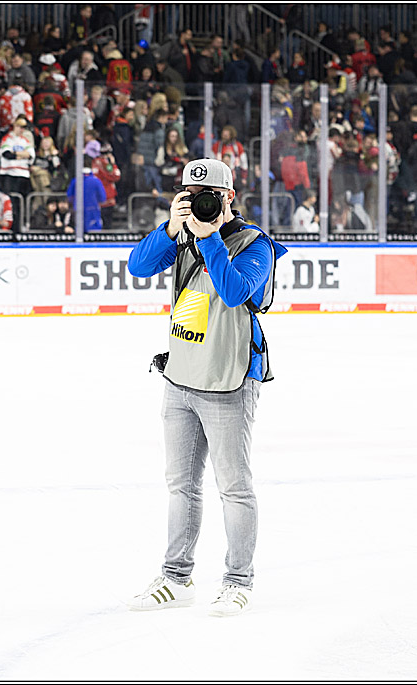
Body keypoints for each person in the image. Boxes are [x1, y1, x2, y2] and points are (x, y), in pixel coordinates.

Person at [125, 158, 287, 617]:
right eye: (191, 195)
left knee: (234, 487)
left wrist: (210, 235)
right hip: (180, 376)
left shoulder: (256, 245)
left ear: (229, 197)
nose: (200, 203)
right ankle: (176, 577)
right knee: (181, 485)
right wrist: (170, 227)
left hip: (229, 380)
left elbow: (236, 292)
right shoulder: (181, 237)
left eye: (209, 197)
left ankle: (238, 581)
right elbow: (138, 267)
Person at [66, 156, 107, 231]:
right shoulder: (96, 181)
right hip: (92, 211)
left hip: (78, 211)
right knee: (94, 233)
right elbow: (102, 198)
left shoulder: (75, 181)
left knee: (79, 233)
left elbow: (69, 197)